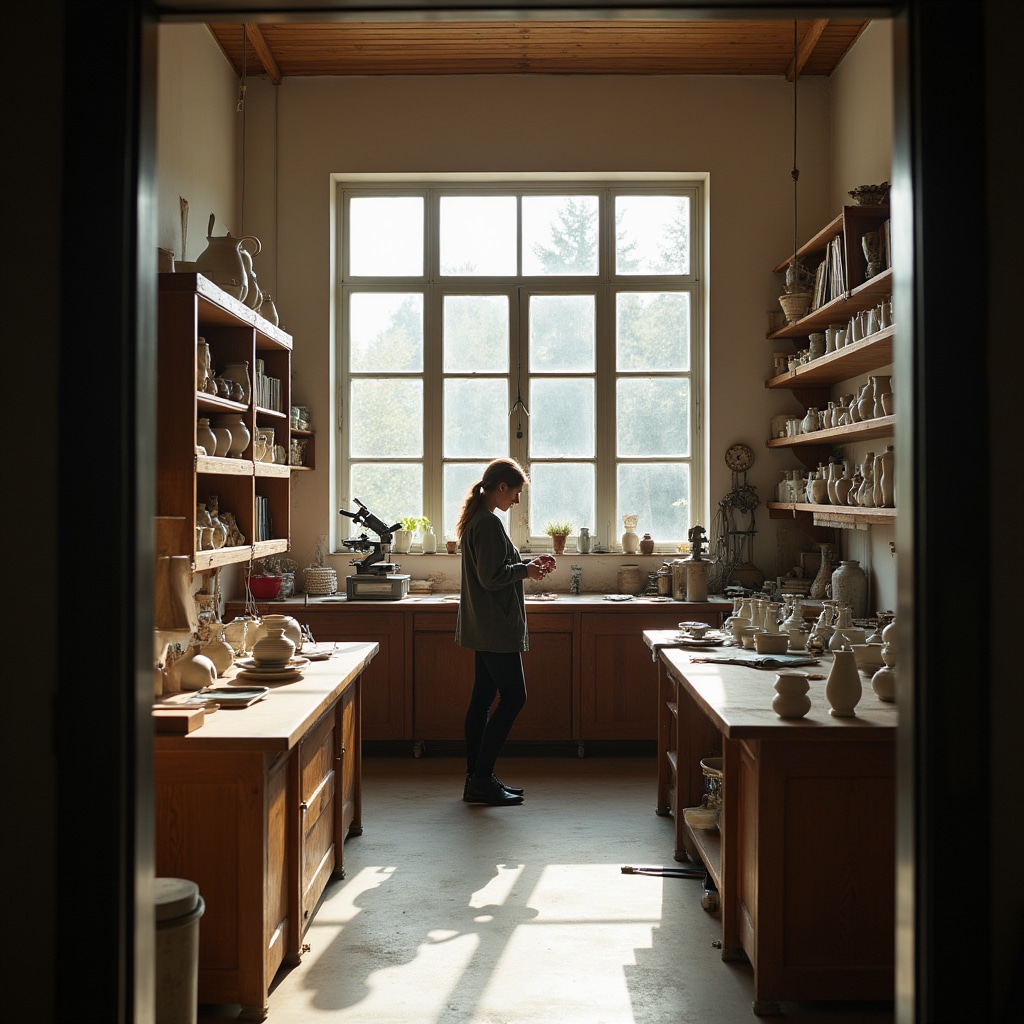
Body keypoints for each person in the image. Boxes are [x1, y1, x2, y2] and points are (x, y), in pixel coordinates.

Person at [455, 458, 556, 806]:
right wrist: (526, 571)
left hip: (485, 625)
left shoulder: (480, 520)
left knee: (483, 700)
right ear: (501, 487)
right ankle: (481, 778)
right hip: (495, 627)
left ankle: (476, 779)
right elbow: (492, 577)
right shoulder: (487, 524)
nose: (516, 500)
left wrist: (527, 565)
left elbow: (497, 567)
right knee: (514, 698)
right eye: (515, 493)